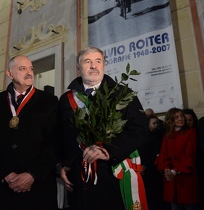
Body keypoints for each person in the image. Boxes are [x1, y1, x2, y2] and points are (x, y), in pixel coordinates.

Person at [57, 46, 149, 210]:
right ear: (79, 67)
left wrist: (109, 151)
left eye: (98, 61)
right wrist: (60, 165)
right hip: (78, 178)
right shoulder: (66, 99)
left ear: (104, 65)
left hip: (113, 175)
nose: (93, 66)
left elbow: (139, 130)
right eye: (87, 62)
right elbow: (60, 136)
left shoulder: (123, 94)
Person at [0, 55, 59, 209]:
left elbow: (55, 142)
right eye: (23, 69)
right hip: (3, 189)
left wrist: (32, 174)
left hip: (38, 188)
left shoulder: (49, 101)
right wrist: (6, 174)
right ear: (9, 73)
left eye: (31, 69)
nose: (29, 72)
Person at [156, 108, 200, 210]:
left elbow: (189, 155)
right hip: (170, 180)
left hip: (186, 179)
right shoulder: (167, 135)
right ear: (170, 120)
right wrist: (166, 169)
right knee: (174, 206)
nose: (181, 119)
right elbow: (163, 154)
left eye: (181, 116)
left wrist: (174, 171)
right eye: (177, 117)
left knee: (190, 206)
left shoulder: (190, 132)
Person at [139, 115, 169, 210]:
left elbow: (157, 153)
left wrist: (146, 166)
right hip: (143, 170)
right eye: (153, 123)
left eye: (157, 123)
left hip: (154, 169)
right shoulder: (142, 137)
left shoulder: (159, 136)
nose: (156, 125)